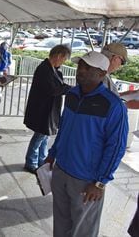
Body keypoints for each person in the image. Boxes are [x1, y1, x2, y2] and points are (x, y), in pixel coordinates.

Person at [46, 51, 128, 237]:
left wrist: (100, 182)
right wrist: (52, 155)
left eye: (86, 67)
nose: (80, 70)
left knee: (83, 230)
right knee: (61, 224)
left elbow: (116, 147)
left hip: (87, 181)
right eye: (79, 65)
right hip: (61, 171)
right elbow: (64, 128)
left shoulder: (113, 105)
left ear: (101, 74)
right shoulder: (73, 94)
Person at [23, 45, 71, 173]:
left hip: (49, 109)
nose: (63, 62)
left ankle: (41, 160)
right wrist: (69, 89)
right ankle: (31, 162)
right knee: (40, 135)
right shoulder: (44, 69)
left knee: (45, 136)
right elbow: (52, 89)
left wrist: (68, 88)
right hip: (42, 109)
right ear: (58, 55)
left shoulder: (54, 70)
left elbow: (58, 86)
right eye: (64, 58)